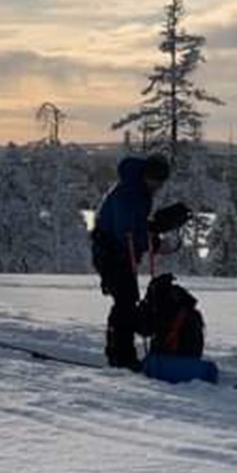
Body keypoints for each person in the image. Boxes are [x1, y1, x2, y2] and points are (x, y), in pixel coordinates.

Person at [91, 154, 173, 370]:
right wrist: (153, 241)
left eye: (161, 182)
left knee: (127, 301)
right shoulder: (128, 193)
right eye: (156, 181)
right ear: (146, 175)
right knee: (126, 301)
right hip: (110, 253)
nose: (158, 186)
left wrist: (152, 229)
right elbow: (126, 231)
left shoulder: (140, 191)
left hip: (122, 253)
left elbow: (137, 227)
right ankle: (120, 356)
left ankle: (121, 354)